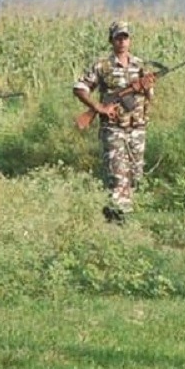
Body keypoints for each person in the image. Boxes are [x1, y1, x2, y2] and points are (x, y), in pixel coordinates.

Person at [73, 21, 156, 223]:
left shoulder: (139, 65)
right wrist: (98, 108)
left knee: (135, 174)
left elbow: (150, 97)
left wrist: (144, 87)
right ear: (111, 40)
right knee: (118, 174)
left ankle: (112, 211)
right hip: (114, 128)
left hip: (137, 127)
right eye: (118, 37)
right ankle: (119, 220)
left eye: (125, 37)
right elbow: (79, 87)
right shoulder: (102, 65)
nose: (122, 41)